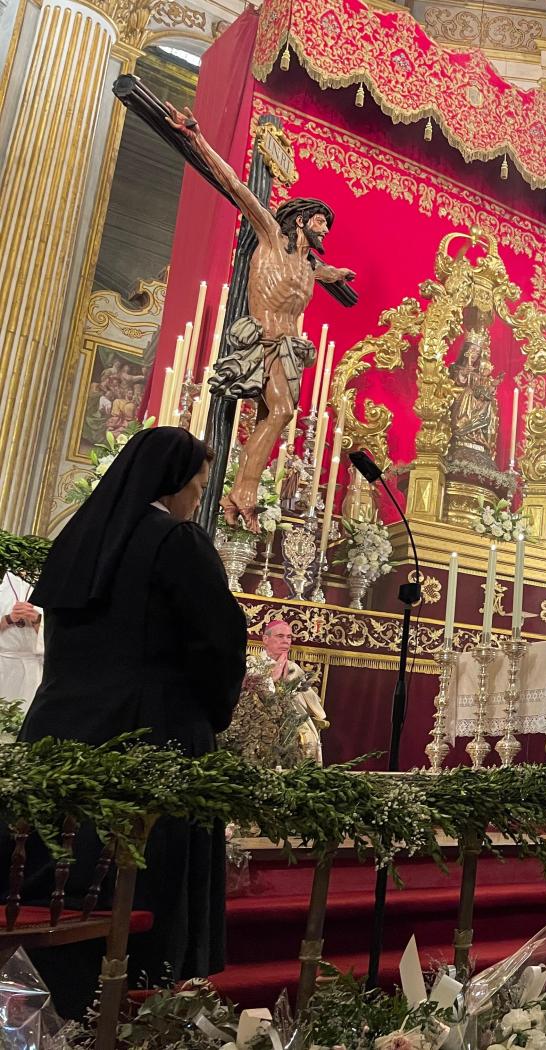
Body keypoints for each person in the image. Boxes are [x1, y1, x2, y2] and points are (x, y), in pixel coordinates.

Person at [17, 426, 247, 1017]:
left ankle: (44, 1004)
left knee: (53, 882)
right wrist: (211, 711)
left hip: (58, 731)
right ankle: (132, 1007)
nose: (198, 499)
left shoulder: (81, 537)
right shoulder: (177, 542)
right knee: (135, 882)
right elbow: (218, 642)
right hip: (151, 732)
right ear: (172, 484)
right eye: (199, 487)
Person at [164, 104, 354, 531]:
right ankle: (242, 490)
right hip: (260, 343)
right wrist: (196, 137)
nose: (325, 229)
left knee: (280, 415)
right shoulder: (270, 236)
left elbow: (324, 272)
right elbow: (235, 187)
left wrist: (338, 274)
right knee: (280, 411)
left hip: (289, 350)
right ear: (301, 220)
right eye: (320, 221)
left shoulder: (309, 266)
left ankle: (242, 489)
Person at [222, 619, 328, 765]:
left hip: (292, 717)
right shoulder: (252, 664)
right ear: (265, 639)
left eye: (289, 637)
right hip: (257, 719)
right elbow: (245, 697)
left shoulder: (294, 668)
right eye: (280, 636)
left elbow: (312, 702)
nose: (286, 641)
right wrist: (273, 678)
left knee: (307, 737)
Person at [0, 571, 43, 708]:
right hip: (3, 663)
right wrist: (8, 619)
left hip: (35, 667)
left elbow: (58, 631)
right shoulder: (3, 579)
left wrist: (37, 620)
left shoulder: (46, 581)